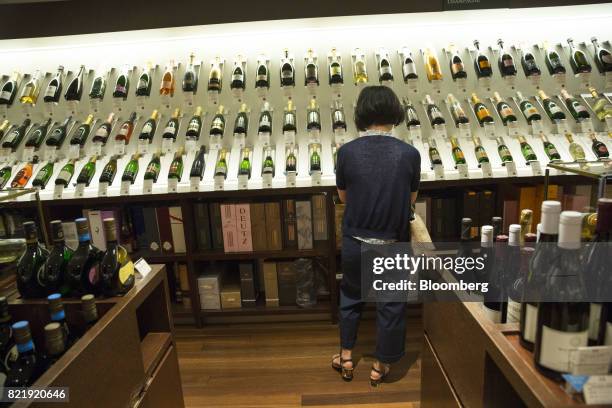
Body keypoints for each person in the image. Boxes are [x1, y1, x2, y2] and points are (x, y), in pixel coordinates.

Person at [331, 85, 421, 386]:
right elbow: (409, 201)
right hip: (393, 243)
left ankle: (346, 356)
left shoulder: (346, 153)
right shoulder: (410, 154)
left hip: (355, 241)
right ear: (395, 112)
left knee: (350, 297)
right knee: (391, 303)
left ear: (361, 114)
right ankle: (381, 365)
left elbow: (343, 198)